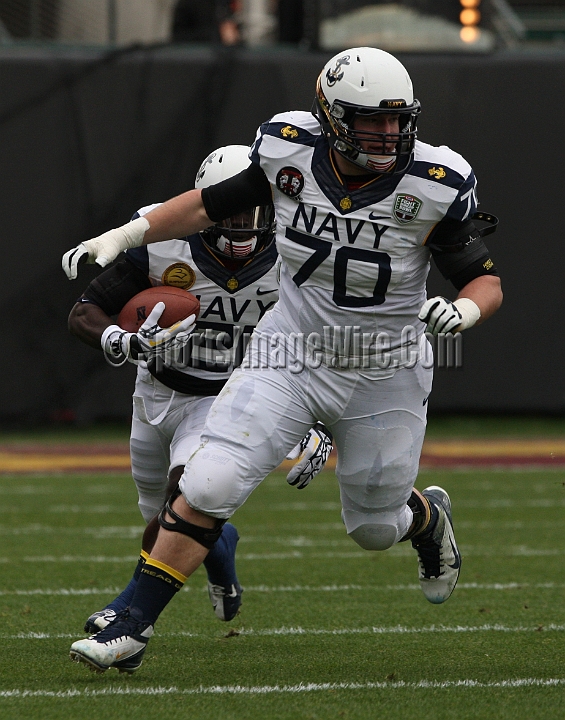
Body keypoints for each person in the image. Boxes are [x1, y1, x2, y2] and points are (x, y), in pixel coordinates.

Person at [63, 47, 502, 674]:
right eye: (371, 119)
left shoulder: (435, 181)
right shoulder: (286, 147)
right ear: (330, 114)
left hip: (386, 365)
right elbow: (207, 205)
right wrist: (126, 236)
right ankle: (129, 625)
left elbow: (482, 277)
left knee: (374, 527)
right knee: (209, 480)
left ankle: (426, 520)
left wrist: (467, 310)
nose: (389, 133)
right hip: (290, 348)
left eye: (398, 118)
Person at [67, 144, 333, 633]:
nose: (241, 228)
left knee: (180, 495)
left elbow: (324, 339)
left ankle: (129, 613)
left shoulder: (294, 255)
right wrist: (120, 340)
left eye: (251, 215)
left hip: (225, 396)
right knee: (163, 514)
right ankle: (222, 551)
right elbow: (85, 310)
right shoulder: (165, 243)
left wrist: (317, 422)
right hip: (155, 391)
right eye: (228, 216)